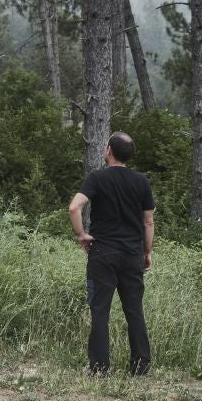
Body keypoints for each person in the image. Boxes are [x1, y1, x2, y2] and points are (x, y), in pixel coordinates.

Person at [68, 132, 155, 376]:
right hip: (131, 254)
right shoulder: (142, 182)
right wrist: (146, 252)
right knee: (134, 310)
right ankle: (140, 367)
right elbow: (148, 222)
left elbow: (74, 207)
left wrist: (81, 235)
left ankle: (99, 368)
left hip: (102, 253)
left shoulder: (97, 178)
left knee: (100, 311)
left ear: (108, 151)